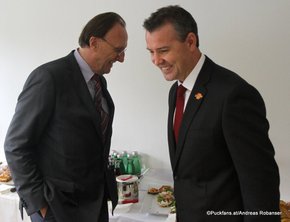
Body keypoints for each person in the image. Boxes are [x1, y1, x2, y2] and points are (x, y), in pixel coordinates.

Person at [143, 5, 280, 222]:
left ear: (190, 42)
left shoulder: (234, 95)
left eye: (163, 50)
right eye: (151, 52)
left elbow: (260, 181)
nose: (156, 60)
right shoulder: (175, 92)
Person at [4, 12, 128, 222]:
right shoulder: (49, 78)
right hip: (57, 209)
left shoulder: (99, 83)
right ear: (94, 42)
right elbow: (16, 145)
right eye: (118, 50)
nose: (122, 58)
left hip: (94, 206)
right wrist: (40, 206)